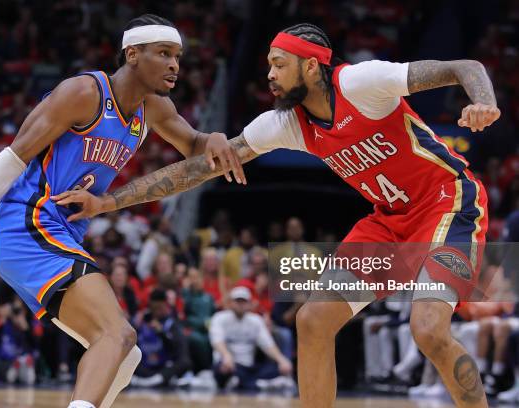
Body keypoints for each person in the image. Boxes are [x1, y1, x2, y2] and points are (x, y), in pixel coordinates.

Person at [56, 23, 501, 407]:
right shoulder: (285, 124)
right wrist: (109, 202)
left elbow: (465, 67)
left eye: (279, 64)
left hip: (448, 202)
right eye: (268, 63)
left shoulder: (362, 83)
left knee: (427, 329)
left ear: (311, 66)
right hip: (389, 219)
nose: (268, 74)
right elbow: (198, 169)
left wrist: (481, 100)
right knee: (312, 320)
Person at [0, 14, 245, 408]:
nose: (175, 64)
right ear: (133, 54)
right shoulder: (84, 92)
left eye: (178, 55)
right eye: (164, 54)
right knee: (117, 336)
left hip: (61, 233)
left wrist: (218, 137)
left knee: (124, 351)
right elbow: (14, 156)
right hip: (28, 224)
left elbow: (194, 143)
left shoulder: (154, 107)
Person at [209, 286, 293, 391]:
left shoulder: (256, 320)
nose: (240, 305)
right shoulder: (219, 318)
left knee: (276, 367)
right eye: (237, 301)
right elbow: (217, 341)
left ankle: (245, 382)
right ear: (230, 303)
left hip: (248, 366)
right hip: (228, 365)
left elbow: (267, 344)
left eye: (243, 301)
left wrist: (281, 360)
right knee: (221, 369)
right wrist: (226, 356)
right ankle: (258, 383)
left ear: (249, 304)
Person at [131, 289, 191, 387]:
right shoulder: (141, 320)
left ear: (165, 305)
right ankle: (145, 379)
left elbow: (176, 349)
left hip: (163, 366)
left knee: (185, 361)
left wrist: (161, 332)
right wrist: (135, 326)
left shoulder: (171, 323)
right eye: (154, 308)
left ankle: (158, 379)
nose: (157, 311)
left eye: (160, 308)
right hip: (144, 365)